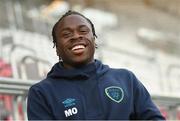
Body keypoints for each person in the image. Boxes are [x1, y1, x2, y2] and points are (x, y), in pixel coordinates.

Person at [27, 10, 165, 120]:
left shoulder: (126, 79)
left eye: (83, 31)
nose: (76, 36)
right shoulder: (41, 93)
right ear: (56, 48)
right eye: (66, 34)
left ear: (94, 39)